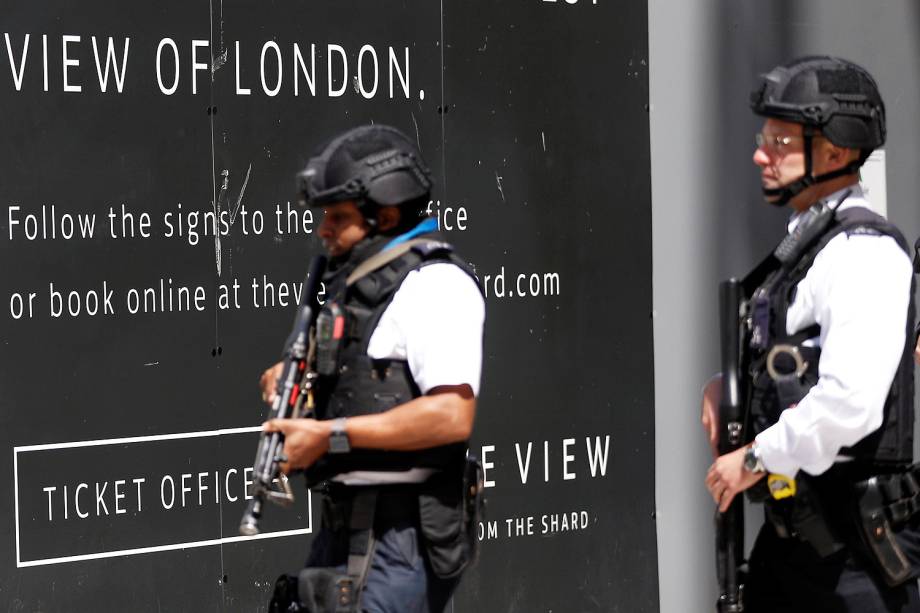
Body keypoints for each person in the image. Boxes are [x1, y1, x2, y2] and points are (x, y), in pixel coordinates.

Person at [701, 56, 920, 611]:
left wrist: (753, 458)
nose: (760, 154)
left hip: (849, 561)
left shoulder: (862, 252)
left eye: (779, 141)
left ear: (837, 151)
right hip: (796, 545)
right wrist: (730, 391)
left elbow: (849, 403)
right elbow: (797, 362)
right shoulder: (810, 243)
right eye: (764, 137)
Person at [260, 124, 485, 612]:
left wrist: (330, 436)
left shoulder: (435, 285)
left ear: (384, 215)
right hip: (341, 532)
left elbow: (451, 415)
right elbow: (366, 390)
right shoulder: (360, 292)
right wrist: (298, 389)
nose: (323, 230)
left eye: (337, 217)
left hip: (400, 539)